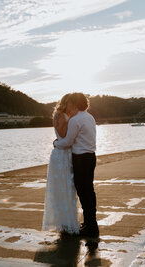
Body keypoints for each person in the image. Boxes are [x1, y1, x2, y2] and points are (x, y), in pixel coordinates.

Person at [54, 93, 98, 237]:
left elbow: (68, 142)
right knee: (89, 191)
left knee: (83, 193)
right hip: (91, 156)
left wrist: (56, 143)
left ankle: (90, 227)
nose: (69, 106)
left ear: (74, 104)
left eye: (71, 103)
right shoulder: (90, 117)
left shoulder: (75, 120)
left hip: (81, 159)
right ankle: (90, 224)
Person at [42, 94, 80, 235]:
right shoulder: (60, 115)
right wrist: (72, 124)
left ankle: (67, 222)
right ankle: (65, 223)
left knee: (67, 187)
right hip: (62, 154)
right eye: (71, 103)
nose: (73, 106)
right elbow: (63, 135)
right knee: (63, 187)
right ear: (66, 103)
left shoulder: (64, 115)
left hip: (64, 152)